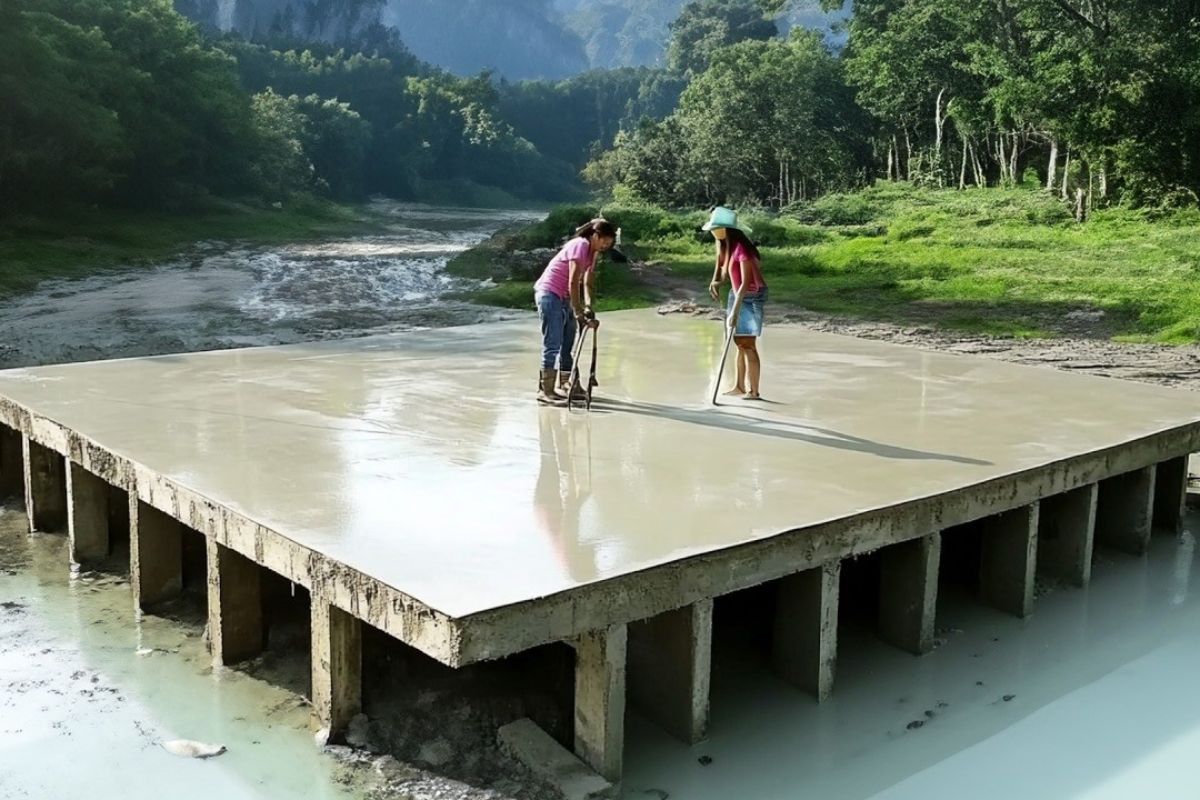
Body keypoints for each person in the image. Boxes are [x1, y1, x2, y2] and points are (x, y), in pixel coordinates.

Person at [533, 218, 617, 404]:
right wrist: (578, 311)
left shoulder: (592, 253)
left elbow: (587, 282)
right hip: (550, 294)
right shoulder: (580, 245)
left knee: (568, 343)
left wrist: (588, 307)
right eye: (604, 240)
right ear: (595, 235)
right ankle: (545, 390)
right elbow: (573, 281)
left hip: (564, 298)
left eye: (609, 243)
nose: (605, 245)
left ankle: (566, 384)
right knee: (553, 343)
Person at [704, 206, 768, 400]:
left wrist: (736, 310)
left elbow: (747, 282)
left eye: (716, 228)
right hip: (738, 293)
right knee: (738, 342)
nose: (713, 232)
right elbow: (727, 275)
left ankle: (754, 391)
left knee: (747, 343)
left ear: (725, 229)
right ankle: (739, 386)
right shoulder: (728, 248)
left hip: (750, 296)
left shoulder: (742, 250)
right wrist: (716, 282)